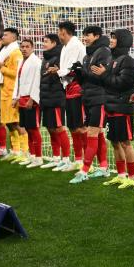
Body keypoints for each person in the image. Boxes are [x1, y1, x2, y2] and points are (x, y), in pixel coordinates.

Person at [69, 26, 113, 184]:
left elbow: (100, 77)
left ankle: (84, 171)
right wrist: (78, 73)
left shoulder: (104, 52)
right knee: (98, 133)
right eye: (84, 35)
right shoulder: (88, 55)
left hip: (99, 98)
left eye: (88, 35)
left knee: (92, 133)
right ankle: (103, 167)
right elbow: (86, 80)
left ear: (97, 36)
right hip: (88, 97)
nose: (85, 38)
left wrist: (84, 73)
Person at [100, 29, 134, 189]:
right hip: (110, 105)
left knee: (125, 143)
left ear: (122, 40)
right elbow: (108, 82)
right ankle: (121, 175)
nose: (111, 40)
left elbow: (123, 83)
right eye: (111, 37)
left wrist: (104, 75)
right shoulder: (112, 58)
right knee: (114, 142)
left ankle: (132, 177)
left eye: (114, 38)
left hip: (122, 107)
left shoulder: (128, 61)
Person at [56, 21, 87, 171]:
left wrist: (57, 72)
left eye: (59, 31)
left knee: (81, 128)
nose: (58, 34)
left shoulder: (75, 45)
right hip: (69, 90)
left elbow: (71, 69)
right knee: (73, 128)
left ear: (63, 32)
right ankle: (78, 160)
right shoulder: (66, 46)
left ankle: (87, 163)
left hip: (78, 90)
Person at [38, 34, 72, 169]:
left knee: (59, 128)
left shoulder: (60, 56)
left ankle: (66, 159)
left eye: (46, 42)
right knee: (50, 128)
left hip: (56, 97)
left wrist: (58, 71)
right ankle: (56, 157)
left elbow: (66, 73)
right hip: (46, 97)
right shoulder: (46, 58)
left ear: (54, 43)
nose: (43, 44)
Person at [12, 38, 44, 167]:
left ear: (32, 48)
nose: (24, 49)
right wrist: (16, 97)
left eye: (27, 46)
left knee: (34, 129)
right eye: (22, 46)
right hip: (22, 98)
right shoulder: (21, 61)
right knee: (27, 129)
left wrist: (33, 98)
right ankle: (32, 156)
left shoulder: (36, 62)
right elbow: (18, 81)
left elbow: (38, 81)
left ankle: (39, 157)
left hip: (31, 100)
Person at [0, 29, 25, 160]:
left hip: (12, 92)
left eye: (5, 35)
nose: (3, 37)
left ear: (13, 37)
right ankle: (15, 150)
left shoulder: (16, 53)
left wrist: (1, 68)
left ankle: (24, 151)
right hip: (4, 91)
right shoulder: (5, 52)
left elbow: (17, 73)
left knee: (16, 123)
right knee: (9, 123)